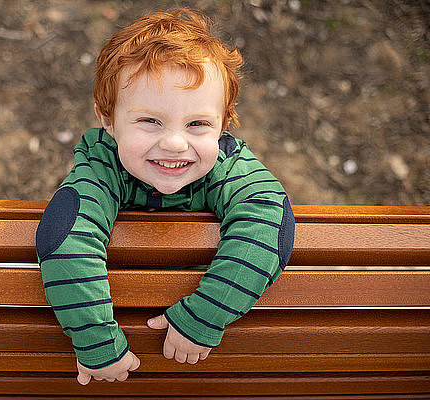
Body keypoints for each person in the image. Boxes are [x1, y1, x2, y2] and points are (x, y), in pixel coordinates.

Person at [35, 7, 295, 385]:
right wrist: (96, 340)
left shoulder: (227, 164)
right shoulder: (102, 165)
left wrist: (204, 314)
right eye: (150, 121)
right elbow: (66, 237)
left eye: (197, 124)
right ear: (107, 120)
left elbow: (269, 220)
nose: (175, 143)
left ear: (223, 124)